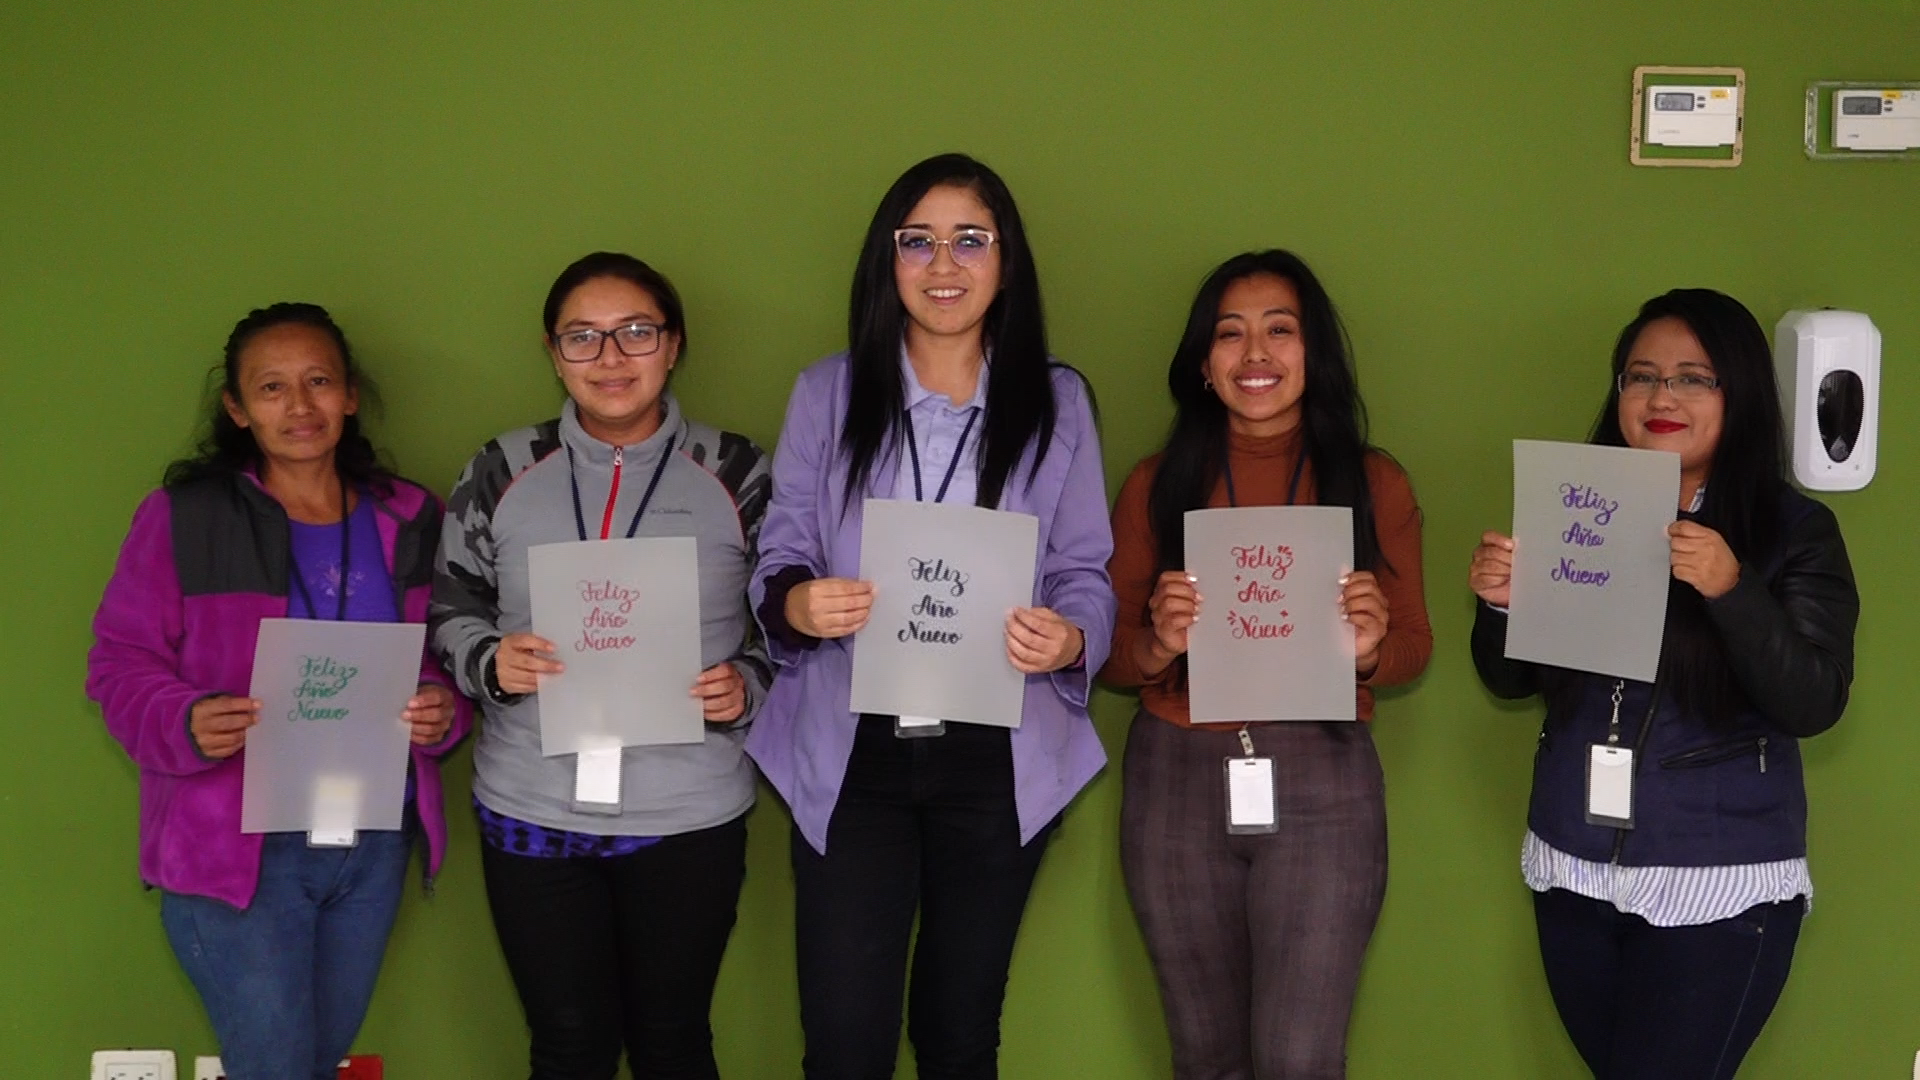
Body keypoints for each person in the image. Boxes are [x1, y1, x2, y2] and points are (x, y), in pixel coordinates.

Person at [747, 152, 1116, 1080]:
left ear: (1006, 261)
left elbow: (1085, 570)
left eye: (970, 240)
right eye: (918, 241)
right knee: (843, 1042)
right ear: (888, 258)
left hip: (994, 751)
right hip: (854, 746)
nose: (943, 264)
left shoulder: (1058, 400)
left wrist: (1071, 636)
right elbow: (781, 543)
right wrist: (797, 600)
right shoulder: (827, 392)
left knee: (960, 1036)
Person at [1467, 289, 1859, 1080]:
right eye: (1641, 377)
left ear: (1739, 392)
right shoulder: (1580, 508)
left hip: (1720, 883)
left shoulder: (1792, 530)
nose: (1662, 397)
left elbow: (1814, 698)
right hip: (1574, 867)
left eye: (1693, 378)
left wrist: (1732, 589)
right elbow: (1510, 680)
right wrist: (1501, 605)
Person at [86, 302, 470, 1080]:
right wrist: (185, 719)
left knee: (312, 1062)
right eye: (271, 388)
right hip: (232, 845)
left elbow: (443, 655)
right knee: (276, 1067)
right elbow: (118, 663)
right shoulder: (183, 517)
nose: (300, 407)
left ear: (350, 394)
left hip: (369, 840)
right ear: (237, 408)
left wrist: (442, 710)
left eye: (319, 381)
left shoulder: (411, 515)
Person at [430, 252, 771, 1080]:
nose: (611, 358)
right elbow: (449, 607)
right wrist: (491, 661)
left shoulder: (738, 471)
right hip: (532, 807)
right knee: (569, 1048)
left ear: (674, 344)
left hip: (688, 811)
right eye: (583, 337)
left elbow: (789, 620)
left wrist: (747, 684)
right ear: (553, 353)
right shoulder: (502, 468)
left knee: (674, 1044)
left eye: (635, 333)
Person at [1101, 250, 1431, 1079]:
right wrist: (1156, 643)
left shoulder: (1373, 483)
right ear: (1202, 365)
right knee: (1205, 1057)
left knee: (1299, 1059)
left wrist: (1368, 650)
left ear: (1314, 353)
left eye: (1280, 331)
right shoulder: (1154, 484)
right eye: (1230, 334)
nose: (1255, 355)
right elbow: (1107, 662)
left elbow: (1412, 648)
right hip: (1175, 776)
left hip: (1324, 775)